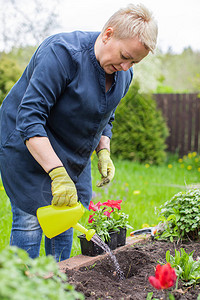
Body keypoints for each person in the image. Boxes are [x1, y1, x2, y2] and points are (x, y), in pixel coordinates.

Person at [0, 3, 158, 261]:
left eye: (134, 61)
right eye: (125, 56)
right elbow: (29, 118)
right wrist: (56, 172)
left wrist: (103, 151)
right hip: (27, 146)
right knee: (30, 223)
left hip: (71, 150)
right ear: (108, 34)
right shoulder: (62, 54)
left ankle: (59, 283)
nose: (127, 66)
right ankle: (21, 286)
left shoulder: (123, 75)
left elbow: (106, 115)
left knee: (65, 223)